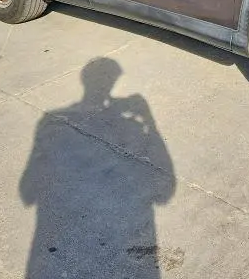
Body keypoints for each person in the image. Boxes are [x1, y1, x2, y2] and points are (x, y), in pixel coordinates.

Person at [20, 57, 175, 278]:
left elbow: (27, 192)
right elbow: (165, 193)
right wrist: (148, 121)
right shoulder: (128, 119)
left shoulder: (50, 121)